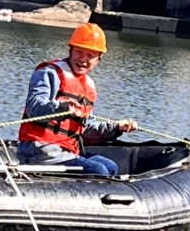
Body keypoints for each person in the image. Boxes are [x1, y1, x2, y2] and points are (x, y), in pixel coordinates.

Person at [16, 22, 138, 176]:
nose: (83, 59)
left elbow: (85, 129)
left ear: (98, 59)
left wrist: (116, 128)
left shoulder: (88, 86)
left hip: (67, 151)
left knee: (111, 166)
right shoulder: (49, 73)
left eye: (90, 56)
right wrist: (62, 108)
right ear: (70, 50)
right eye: (79, 52)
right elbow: (35, 107)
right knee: (98, 170)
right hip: (39, 150)